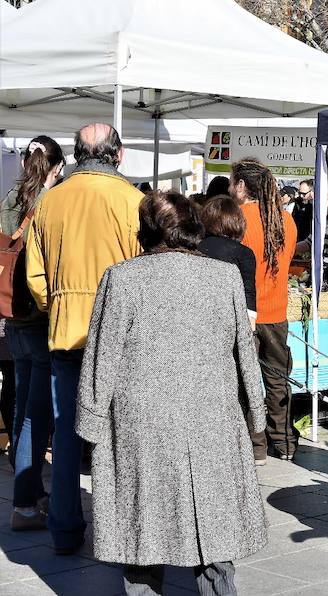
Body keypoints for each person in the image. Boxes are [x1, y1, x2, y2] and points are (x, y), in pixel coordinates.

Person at [76, 191, 267, 595]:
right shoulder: (224, 276)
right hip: (210, 415)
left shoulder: (122, 277)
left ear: (146, 230)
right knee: (213, 535)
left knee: (142, 530)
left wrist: (89, 423)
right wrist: (256, 412)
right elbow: (244, 350)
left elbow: (101, 356)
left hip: (141, 421)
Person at [25, 123, 143, 554]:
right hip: (123, 339)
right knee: (119, 436)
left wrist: (57, 305)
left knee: (67, 435)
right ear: (119, 155)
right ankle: (122, 530)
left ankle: (65, 530)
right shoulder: (135, 203)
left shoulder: (50, 202)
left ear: (76, 155)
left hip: (65, 333)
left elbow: (36, 281)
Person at [1, 136, 64, 531]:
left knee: (23, 406)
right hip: (40, 315)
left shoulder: (10, 198)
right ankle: (25, 503)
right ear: (57, 167)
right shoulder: (51, 203)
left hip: (12, 314)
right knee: (33, 419)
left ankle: (31, 495)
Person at [232, 158, 298, 462]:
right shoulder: (286, 220)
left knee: (246, 383)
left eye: (233, 182)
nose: (231, 187)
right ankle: (284, 443)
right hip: (277, 312)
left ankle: (255, 446)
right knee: (277, 381)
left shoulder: (239, 219)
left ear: (242, 186)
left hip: (246, 313)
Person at [198, 195, 257, 325]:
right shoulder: (244, 253)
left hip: (199, 317)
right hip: (229, 320)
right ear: (237, 221)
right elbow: (248, 292)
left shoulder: (194, 248)